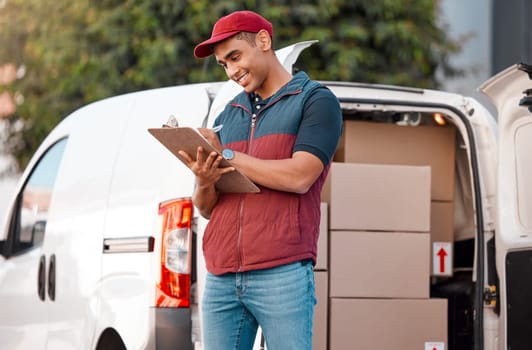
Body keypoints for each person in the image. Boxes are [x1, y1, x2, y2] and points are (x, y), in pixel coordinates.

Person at [179, 10, 342, 350]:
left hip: (281, 273)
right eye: (224, 64)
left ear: (264, 41)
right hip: (222, 276)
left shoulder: (315, 101)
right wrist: (205, 179)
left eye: (235, 57)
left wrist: (227, 156)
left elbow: (300, 176)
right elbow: (206, 209)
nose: (232, 71)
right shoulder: (228, 114)